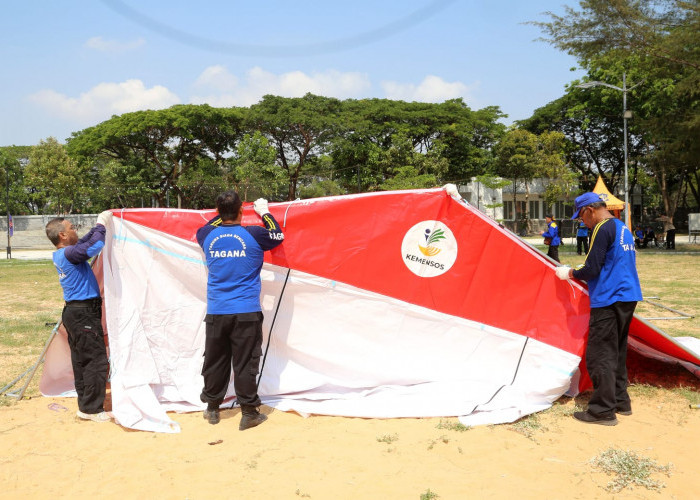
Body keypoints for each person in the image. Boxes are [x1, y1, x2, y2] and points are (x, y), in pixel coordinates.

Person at [196, 191, 285, 429]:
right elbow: (278, 236)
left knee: (215, 361)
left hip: (217, 311)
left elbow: (211, 223)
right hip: (246, 311)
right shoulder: (253, 233)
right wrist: (265, 212)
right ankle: (248, 413)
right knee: (245, 363)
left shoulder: (206, 234)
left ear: (217, 212)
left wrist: (226, 211)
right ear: (242, 212)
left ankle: (212, 409)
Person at [555, 192, 642, 426]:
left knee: (600, 354)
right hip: (628, 294)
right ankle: (621, 401)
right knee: (617, 350)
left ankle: (602, 410)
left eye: (581, 216)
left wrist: (570, 272)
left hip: (609, 297)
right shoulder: (621, 226)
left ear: (590, 210)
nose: (582, 222)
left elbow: (592, 267)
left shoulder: (602, 228)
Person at [45, 211, 113, 423]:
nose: (75, 230)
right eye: (72, 228)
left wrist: (97, 226)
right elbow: (94, 246)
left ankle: (86, 406)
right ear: (63, 236)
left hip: (76, 313)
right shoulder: (70, 254)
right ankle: (92, 409)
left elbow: (85, 242)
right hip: (83, 314)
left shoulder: (66, 253)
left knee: (82, 361)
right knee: (95, 361)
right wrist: (102, 224)